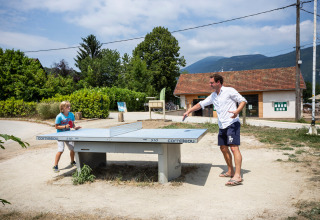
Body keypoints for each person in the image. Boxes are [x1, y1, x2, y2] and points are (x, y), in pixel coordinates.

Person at [183, 74, 247, 186]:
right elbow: (200, 104)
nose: (210, 84)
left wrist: (237, 111)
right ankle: (230, 170)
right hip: (222, 126)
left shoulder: (229, 91)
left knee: (233, 148)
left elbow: (243, 101)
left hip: (232, 123)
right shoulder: (213, 96)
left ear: (218, 82)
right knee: (223, 148)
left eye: (211, 82)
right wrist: (189, 111)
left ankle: (237, 175)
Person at [53, 101, 81, 173]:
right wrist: (65, 126)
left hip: (68, 135)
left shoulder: (71, 115)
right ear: (63, 108)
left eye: (69, 106)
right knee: (61, 150)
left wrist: (75, 127)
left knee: (73, 149)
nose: (69, 107)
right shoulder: (59, 116)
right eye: (67, 106)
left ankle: (72, 161)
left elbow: (72, 124)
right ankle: (55, 166)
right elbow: (56, 126)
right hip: (60, 136)